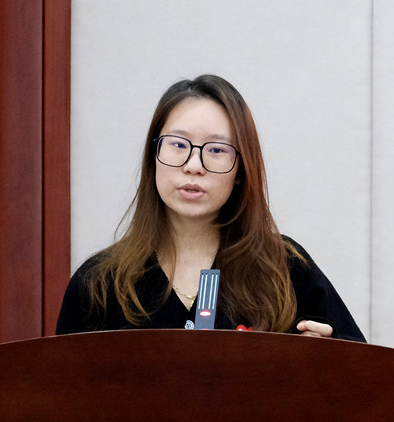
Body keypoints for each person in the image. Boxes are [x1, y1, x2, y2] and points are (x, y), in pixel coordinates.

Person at [56, 75, 365, 342]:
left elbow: (365, 374)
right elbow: (60, 385)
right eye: (178, 144)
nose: (194, 165)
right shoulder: (99, 282)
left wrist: (328, 358)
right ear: (153, 155)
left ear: (241, 170)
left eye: (216, 150)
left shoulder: (285, 268)